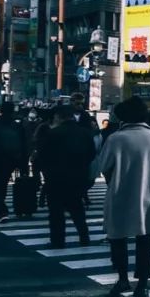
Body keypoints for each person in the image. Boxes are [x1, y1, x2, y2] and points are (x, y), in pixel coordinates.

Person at [96, 97, 150, 297]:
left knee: (117, 238)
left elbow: (104, 167)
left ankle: (122, 279)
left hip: (120, 193)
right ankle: (143, 285)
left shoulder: (116, 139)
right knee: (146, 241)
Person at [35, 106, 95, 248]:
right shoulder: (85, 133)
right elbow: (91, 154)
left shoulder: (53, 134)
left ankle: (58, 240)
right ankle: (84, 236)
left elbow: (43, 155)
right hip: (78, 176)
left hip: (56, 177)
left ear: (58, 117)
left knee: (56, 211)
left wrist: (47, 172)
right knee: (77, 208)